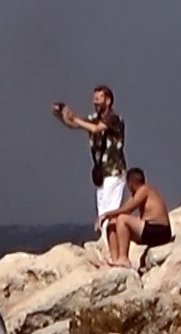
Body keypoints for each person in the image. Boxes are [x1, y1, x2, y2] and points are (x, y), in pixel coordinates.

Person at [52, 85, 127, 230]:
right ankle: (106, 240)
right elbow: (76, 124)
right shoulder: (95, 118)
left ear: (108, 100)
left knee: (109, 212)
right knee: (102, 211)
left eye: (99, 99)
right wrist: (62, 114)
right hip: (101, 173)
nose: (95, 102)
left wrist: (75, 118)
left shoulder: (113, 118)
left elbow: (95, 128)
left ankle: (110, 242)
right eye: (94, 99)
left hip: (114, 171)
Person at [94, 167, 173, 268]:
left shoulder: (145, 190)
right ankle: (115, 259)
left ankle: (124, 258)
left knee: (122, 219)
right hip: (149, 231)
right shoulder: (137, 193)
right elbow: (124, 208)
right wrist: (110, 217)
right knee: (113, 223)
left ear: (130, 183)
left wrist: (105, 215)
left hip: (160, 231)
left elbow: (127, 210)